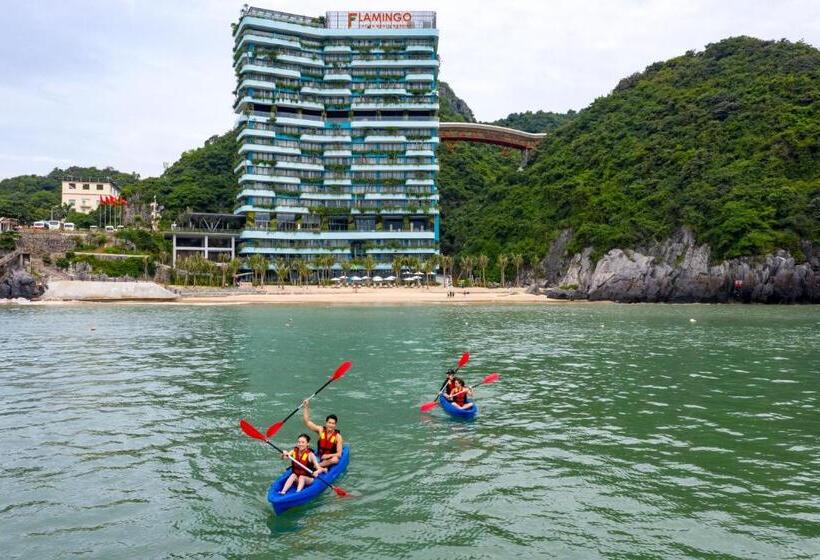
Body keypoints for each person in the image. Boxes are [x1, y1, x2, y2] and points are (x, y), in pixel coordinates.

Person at [302, 399, 343, 468]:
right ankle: (313, 465)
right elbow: (307, 422)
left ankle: (315, 466)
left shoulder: (338, 437)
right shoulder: (320, 430)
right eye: (329, 423)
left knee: (335, 459)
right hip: (319, 456)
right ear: (326, 423)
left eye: (333, 423)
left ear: (335, 425)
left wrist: (327, 456)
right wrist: (306, 407)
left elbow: (339, 454)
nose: (331, 425)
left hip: (329, 458)